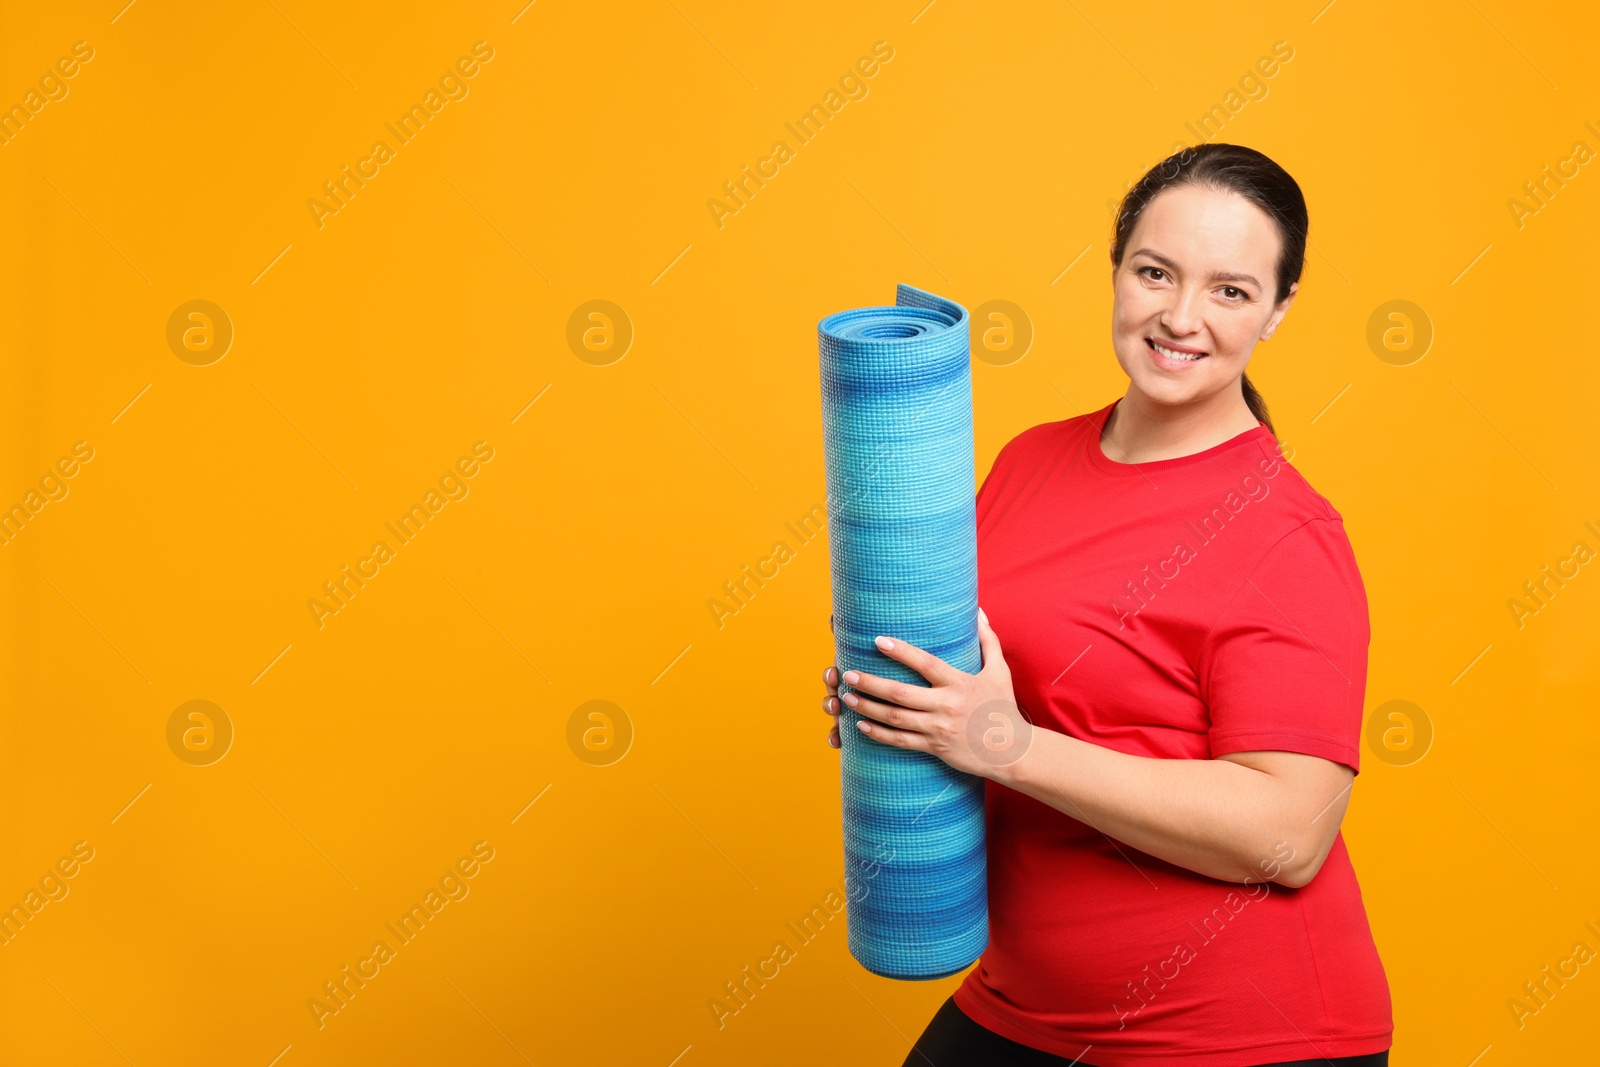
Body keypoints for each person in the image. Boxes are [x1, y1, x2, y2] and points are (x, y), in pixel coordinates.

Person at [819, 143, 1392, 1066]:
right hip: (1023, 1005)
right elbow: (986, 686)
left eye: (1230, 291)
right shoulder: (1028, 461)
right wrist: (907, 705)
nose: (1179, 317)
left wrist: (1000, 741)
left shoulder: (1288, 533)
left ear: (1279, 311)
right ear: (1117, 271)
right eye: (1155, 272)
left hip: (1236, 1035)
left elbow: (1289, 835)